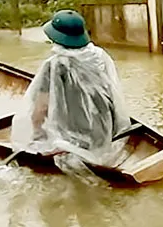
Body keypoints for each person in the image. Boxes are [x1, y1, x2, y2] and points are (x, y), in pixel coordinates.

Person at [11, 9, 132, 168]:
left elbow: (41, 108)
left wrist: (36, 137)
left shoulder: (54, 65)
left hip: (75, 140)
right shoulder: (99, 56)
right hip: (106, 133)